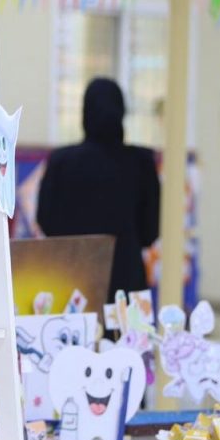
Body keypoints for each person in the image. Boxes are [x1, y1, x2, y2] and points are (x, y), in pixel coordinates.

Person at [37, 78, 161, 300]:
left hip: (71, 285)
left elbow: (47, 223)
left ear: (84, 113)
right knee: (129, 327)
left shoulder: (61, 161)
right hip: (127, 289)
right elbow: (150, 231)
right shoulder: (141, 162)